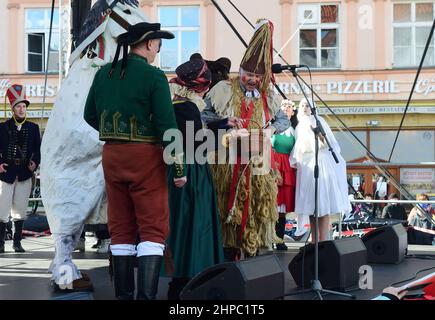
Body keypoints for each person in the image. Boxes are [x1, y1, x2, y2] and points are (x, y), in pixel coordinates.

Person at [84, 22, 185, 300]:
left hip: (113, 156)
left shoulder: (104, 73)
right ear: (150, 44)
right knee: (152, 226)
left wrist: (115, 134)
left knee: (121, 226)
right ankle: (146, 297)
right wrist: (178, 167)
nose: (157, 52)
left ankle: (124, 296)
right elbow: (168, 125)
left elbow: (89, 115)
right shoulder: (154, 77)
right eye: (157, 47)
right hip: (145, 158)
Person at [201, 19, 291, 260]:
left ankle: (249, 254)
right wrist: (225, 125)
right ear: (240, 71)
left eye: (257, 76)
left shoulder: (269, 97)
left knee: (255, 210)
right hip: (226, 164)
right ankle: (225, 254)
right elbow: (203, 116)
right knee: (224, 210)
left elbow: (284, 121)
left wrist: (269, 132)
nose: (252, 79)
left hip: (258, 165)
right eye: (249, 74)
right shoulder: (222, 90)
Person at [166, 54, 224, 300]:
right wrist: (225, 132)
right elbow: (198, 143)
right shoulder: (188, 107)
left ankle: (185, 278)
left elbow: (192, 132)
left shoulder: (181, 106)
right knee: (194, 224)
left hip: (187, 166)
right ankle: (186, 280)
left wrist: (221, 123)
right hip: (191, 169)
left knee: (186, 223)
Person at [291, 98, 351, 242]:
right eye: (303, 105)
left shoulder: (320, 121)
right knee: (311, 206)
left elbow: (331, 145)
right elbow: (297, 150)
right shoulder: (299, 126)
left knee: (322, 204)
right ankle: (314, 240)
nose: (305, 108)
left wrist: (318, 134)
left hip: (321, 164)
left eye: (308, 106)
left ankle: (324, 240)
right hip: (306, 168)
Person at [0, 84, 40, 253]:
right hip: (6, 173)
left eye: (24, 106)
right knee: (2, 209)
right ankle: (0, 243)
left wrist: (35, 163)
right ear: (12, 108)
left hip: (24, 173)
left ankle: (17, 242)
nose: (22, 109)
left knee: (21, 209)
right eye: (18, 106)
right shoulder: (2, 127)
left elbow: (38, 150)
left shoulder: (33, 128)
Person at [271, 99, 297, 250]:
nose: (286, 109)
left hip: (287, 166)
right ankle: (268, 238)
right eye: (283, 107)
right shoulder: (272, 127)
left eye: (289, 108)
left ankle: (279, 239)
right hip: (274, 164)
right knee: (271, 202)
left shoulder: (294, 129)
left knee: (282, 206)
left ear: (292, 112)